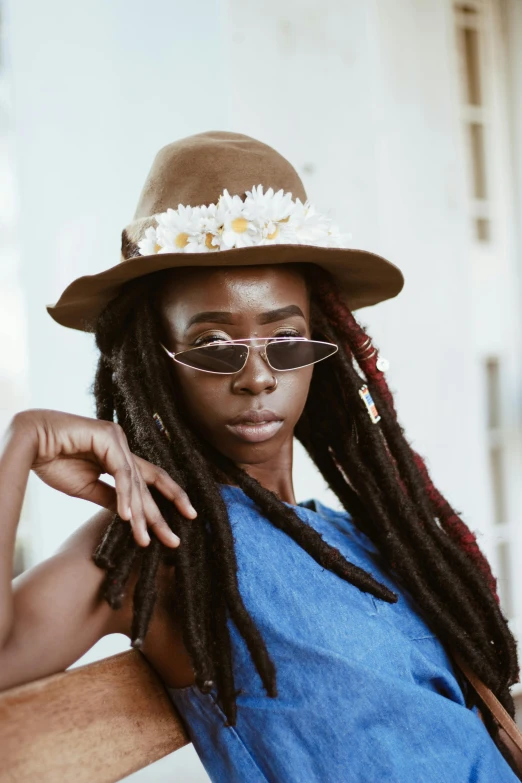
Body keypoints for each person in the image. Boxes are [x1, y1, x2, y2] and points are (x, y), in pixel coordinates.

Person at [1, 131, 520, 782]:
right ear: (155, 364)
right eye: (213, 343)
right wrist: (21, 445)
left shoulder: (362, 539)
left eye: (285, 339)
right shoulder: (160, 539)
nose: (257, 377)